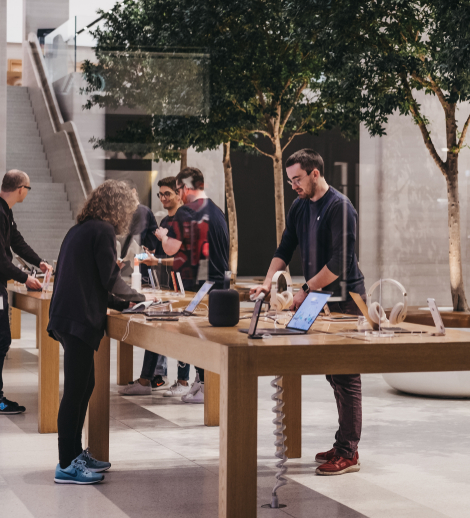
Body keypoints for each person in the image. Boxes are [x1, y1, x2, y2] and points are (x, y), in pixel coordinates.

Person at [251, 149, 366, 476]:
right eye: (290, 180)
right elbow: (285, 248)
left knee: (346, 375)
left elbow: (340, 262)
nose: (294, 186)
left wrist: (304, 290)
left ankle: (349, 452)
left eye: (298, 179)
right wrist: (267, 283)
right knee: (332, 372)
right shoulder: (299, 206)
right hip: (318, 296)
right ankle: (343, 442)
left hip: (345, 298)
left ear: (315, 173)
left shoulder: (340, 207)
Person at [48, 179, 145, 485]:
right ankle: (66, 464)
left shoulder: (80, 229)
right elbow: (109, 279)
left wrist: (124, 304)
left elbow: (91, 281)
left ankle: (76, 454)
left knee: (85, 385)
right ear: (118, 206)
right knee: (75, 392)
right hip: (78, 319)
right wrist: (141, 297)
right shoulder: (102, 231)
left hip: (67, 316)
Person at [0, 169, 51, 415]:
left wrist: (39, 262)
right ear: (21, 189)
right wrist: (26, 278)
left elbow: (16, 241)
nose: (27, 192)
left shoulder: (3, 210)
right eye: (28, 188)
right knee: (0, 339)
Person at [151, 167, 230, 403]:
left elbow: (170, 248)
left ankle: (206, 386)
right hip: (219, 285)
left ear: (185, 188)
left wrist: (163, 236)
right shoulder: (216, 210)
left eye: (177, 190)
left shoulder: (186, 211)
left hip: (199, 287)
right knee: (208, 337)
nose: (178, 195)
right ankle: (203, 382)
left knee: (196, 338)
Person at [120, 177, 191, 397]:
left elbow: (184, 258)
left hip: (184, 287)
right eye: (160, 194)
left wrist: (157, 260)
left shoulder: (184, 220)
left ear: (179, 194)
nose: (163, 198)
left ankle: (183, 380)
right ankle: (147, 379)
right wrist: (141, 257)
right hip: (165, 286)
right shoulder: (165, 223)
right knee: (156, 329)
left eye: (167, 193)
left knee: (183, 334)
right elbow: (157, 255)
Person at [116, 181, 159, 284]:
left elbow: (136, 239)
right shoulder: (129, 213)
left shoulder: (141, 210)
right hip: (141, 262)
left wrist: (120, 260)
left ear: (133, 191)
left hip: (147, 262)